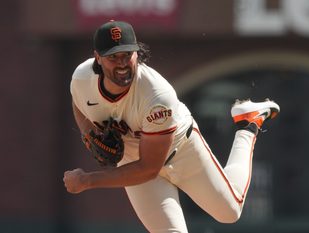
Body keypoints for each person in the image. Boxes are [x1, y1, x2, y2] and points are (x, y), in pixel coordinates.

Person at [63, 20, 280, 233]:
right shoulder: (82, 79)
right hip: (132, 162)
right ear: (97, 58)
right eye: (113, 56)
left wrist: (87, 180)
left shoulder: (156, 95)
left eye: (127, 54)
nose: (121, 63)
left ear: (137, 54)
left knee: (229, 213)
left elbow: (149, 168)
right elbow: (79, 102)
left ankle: (248, 124)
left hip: (181, 152)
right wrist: (88, 133)